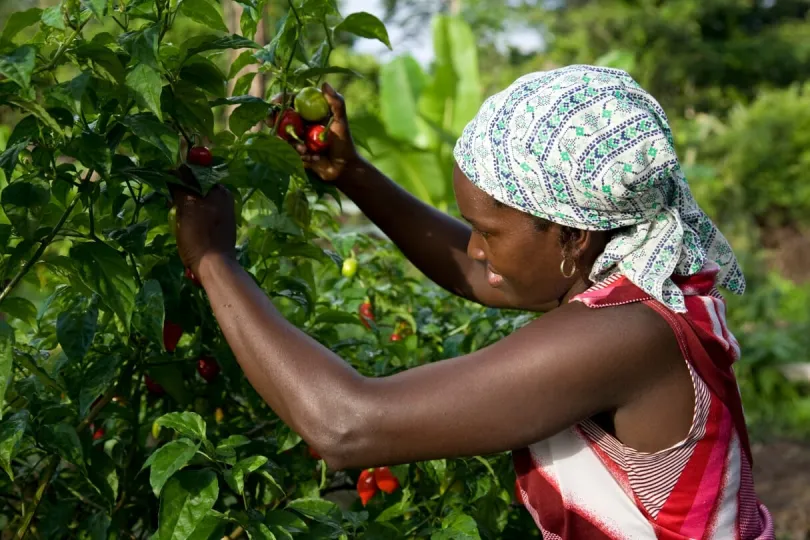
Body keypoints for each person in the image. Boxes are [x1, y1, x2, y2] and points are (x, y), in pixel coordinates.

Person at [171, 65, 774, 539]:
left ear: (573, 234)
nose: (478, 250)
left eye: (488, 230)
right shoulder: (636, 282)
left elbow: (348, 426)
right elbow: (479, 273)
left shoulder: (624, 336)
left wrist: (213, 260)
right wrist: (352, 174)